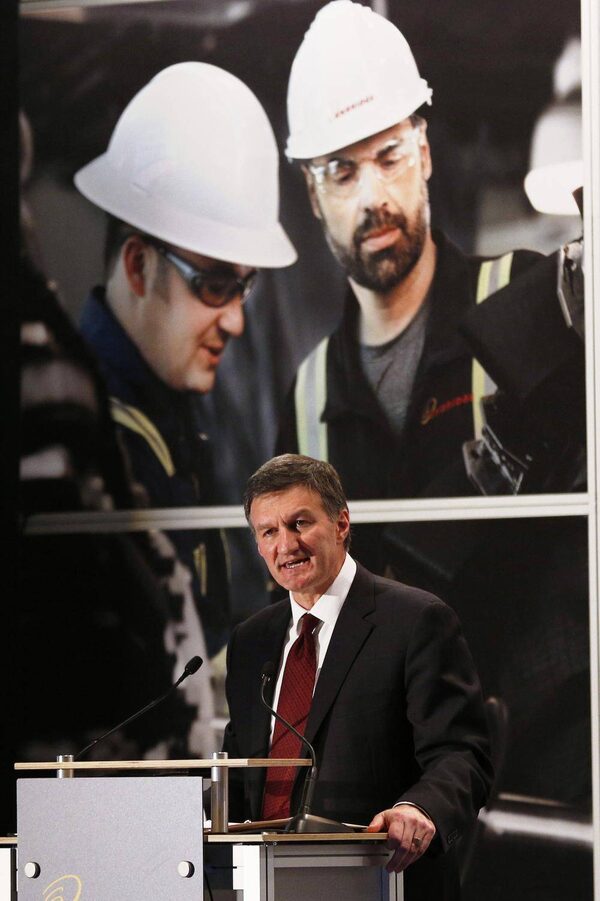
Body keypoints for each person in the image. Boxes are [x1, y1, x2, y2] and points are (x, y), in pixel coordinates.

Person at [277, 0, 544, 571]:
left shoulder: (523, 300)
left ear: (422, 154)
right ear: (313, 197)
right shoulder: (306, 399)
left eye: (389, 157)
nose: (373, 197)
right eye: (342, 172)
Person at [75, 62, 296, 656]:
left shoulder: (161, 416)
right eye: (214, 285)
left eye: (243, 287)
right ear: (137, 266)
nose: (237, 321)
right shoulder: (87, 446)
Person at [223, 454, 492, 900]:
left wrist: (419, 809)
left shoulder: (415, 620)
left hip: (382, 879)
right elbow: (241, 773)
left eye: (299, 523)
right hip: (266, 884)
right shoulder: (251, 641)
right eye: (268, 531)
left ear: (341, 523)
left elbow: (461, 754)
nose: (286, 545)